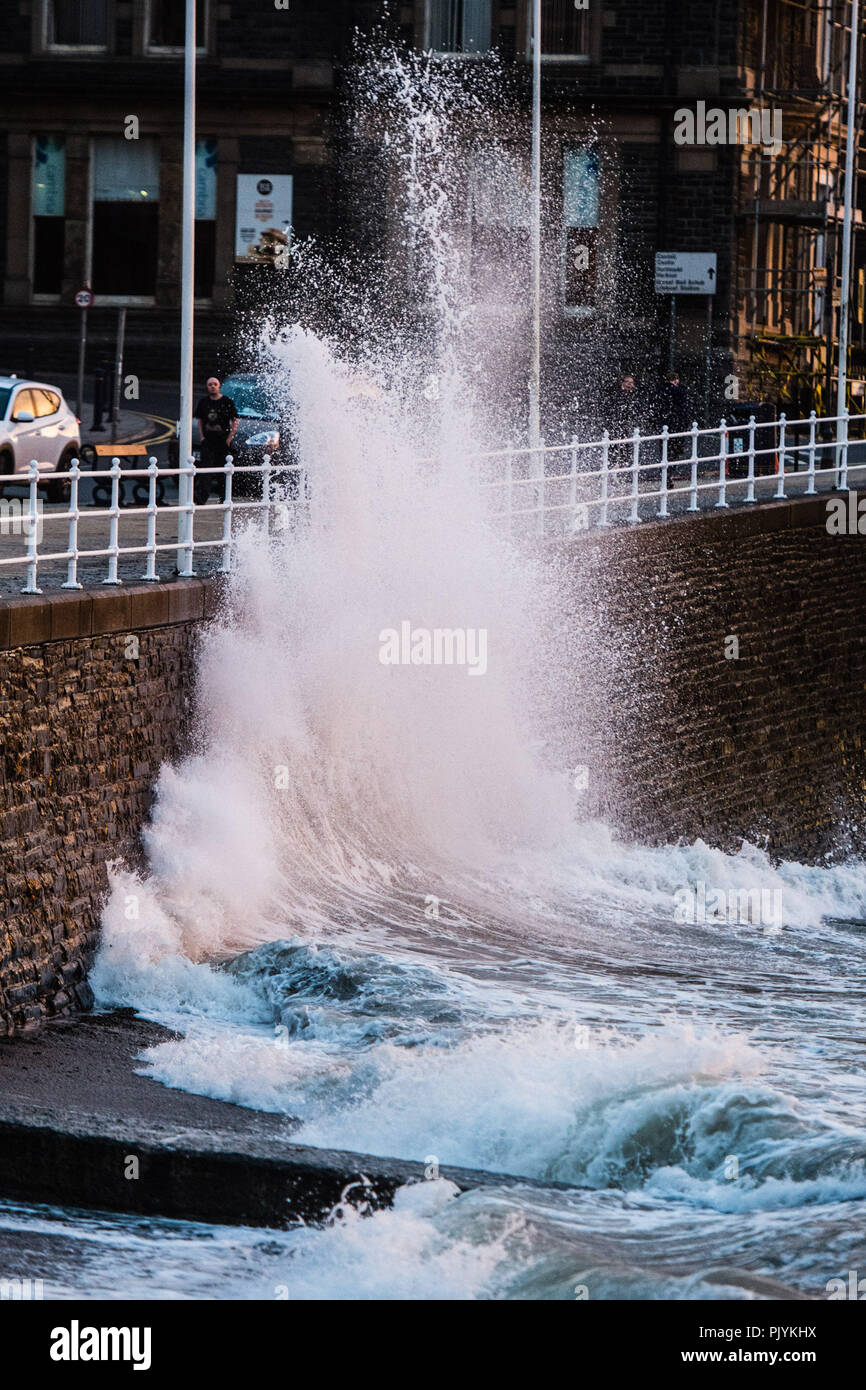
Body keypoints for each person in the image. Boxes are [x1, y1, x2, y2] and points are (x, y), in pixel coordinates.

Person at [194, 377, 238, 502]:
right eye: (210, 384)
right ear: (207, 386)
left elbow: (235, 420)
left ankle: (224, 497)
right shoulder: (203, 402)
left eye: (215, 384)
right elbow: (200, 420)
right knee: (205, 470)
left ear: (219, 386)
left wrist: (230, 437)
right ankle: (202, 497)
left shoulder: (226, 402)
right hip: (208, 440)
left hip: (222, 440)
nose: (212, 386)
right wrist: (202, 436)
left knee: (223, 470)